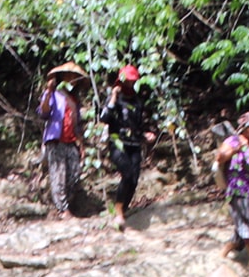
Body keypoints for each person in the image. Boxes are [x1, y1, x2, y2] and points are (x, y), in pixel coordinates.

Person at [100, 63, 160, 228]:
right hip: (117, 143)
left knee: (133, 179)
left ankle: (124, 210)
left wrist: (145, 135)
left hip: (134, 143)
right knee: (126, 173)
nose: (130, 84)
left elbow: (138, 125)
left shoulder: (136, 100)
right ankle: (118, 210)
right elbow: (104, 118)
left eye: (133, 81)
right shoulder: (115, 98)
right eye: (128, 81)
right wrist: (113, 97)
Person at [212, 113, 249, 265]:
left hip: (248, 191)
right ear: (245, 128)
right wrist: (237, 148)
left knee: (241, 228)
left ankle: (224, 252)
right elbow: (220, 157)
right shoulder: (233, 141)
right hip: (238, 190)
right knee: (247, 221)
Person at [40, 63, 92, 218]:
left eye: (74, 77)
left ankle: (65, 205)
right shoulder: (53, 95)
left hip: (71, 141)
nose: (72, 80)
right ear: (62, 77)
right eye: (69, 76)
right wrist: (49, 91)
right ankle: (63, 209)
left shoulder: (74, 100)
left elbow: (77, 124)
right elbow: (43, 112)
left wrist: (81, 145)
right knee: (58, 174)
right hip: (56, 140)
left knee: (74, 174)